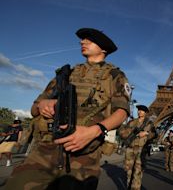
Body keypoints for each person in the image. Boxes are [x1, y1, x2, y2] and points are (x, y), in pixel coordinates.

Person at [4, 28, 130, 189]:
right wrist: (42, 105)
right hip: (46, 148)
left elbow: (122, 112)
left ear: (104, 48)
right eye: (82, 40)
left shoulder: (114, 76)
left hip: (84, 154)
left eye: (89, 40)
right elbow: (34, 110)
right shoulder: (66, 74)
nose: (82, 42)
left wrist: (95, 130)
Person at [119, 105, 156, 190]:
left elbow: (154, 134)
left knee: (138, 172)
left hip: (141, 149)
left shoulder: (149, 124)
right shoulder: (131, 122)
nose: (140, 112)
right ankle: (129, 186)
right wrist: (127, 133)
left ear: (145, 113)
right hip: (130, 148)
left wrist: (146, 133)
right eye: (139, 110)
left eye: (142, 110)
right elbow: (122, 133)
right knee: (128, 171)